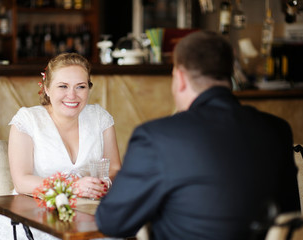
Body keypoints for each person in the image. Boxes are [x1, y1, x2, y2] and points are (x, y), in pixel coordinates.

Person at [95, 31, 300, 240]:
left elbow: (111, 221)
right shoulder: (277, 129)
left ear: (180, 78)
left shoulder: (156, 137)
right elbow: (289, 215)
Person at [0, 52, 121, 240]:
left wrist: (105, 183)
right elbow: (22, 182)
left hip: (88, 214)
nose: (72, 95)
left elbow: (115, 168)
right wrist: (72, 187)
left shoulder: (99, 118)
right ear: (46, 88)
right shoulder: (27, 120)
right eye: (63, 86)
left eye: (81, 87)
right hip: (35, 217)